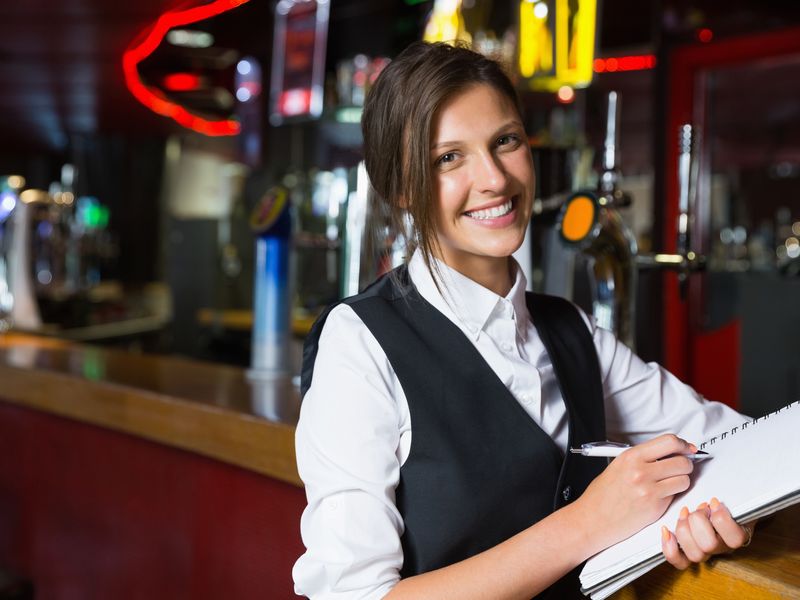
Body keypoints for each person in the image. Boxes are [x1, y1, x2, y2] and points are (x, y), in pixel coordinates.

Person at [293, 41, 753, 599]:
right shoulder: (360, 342)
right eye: (448, 158)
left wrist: (721, 508)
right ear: (401, 189)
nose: (494, 178)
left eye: (505, 141)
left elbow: (730, 441)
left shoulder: (570, 330)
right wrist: (588, 522)